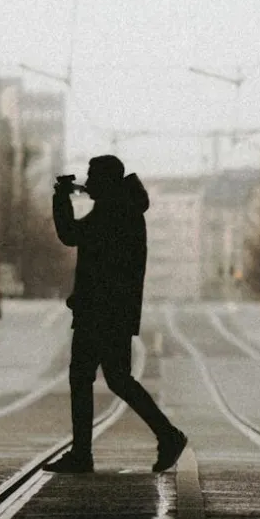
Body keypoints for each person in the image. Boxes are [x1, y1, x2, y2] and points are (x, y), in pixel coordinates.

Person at [45, 155, 187, 474]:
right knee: (118, 379)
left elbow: (70, 234)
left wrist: (61, 198)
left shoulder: (113, 212)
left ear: (107, 181)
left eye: (93, 176)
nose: (89, 181)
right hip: (113, 311)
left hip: (101, 312)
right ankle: (167, 435)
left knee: (86, 378)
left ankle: (86, 454)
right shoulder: (124, 207)